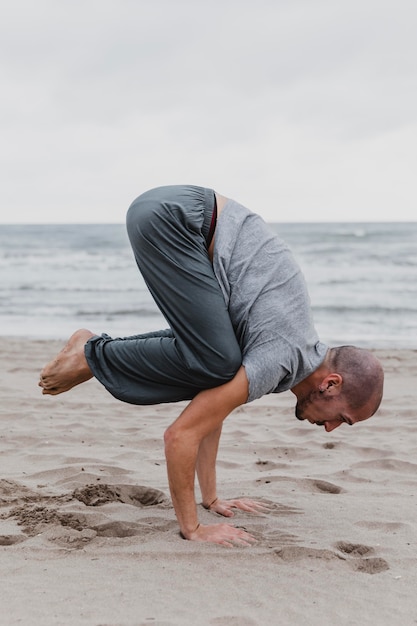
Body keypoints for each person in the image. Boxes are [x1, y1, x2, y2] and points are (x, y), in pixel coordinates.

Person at [39, 185, 384, 546]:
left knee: (217, 363)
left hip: (176, 213)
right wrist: (194, 528)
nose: (330, 429)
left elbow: (212, 409)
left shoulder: (290, 347)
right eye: (341, 419)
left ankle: (93, 352)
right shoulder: (280, 357)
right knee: (216, 362)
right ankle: (91, 354)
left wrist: (213, 499)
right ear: (331, 384)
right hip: (177, 220)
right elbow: (180, 435)